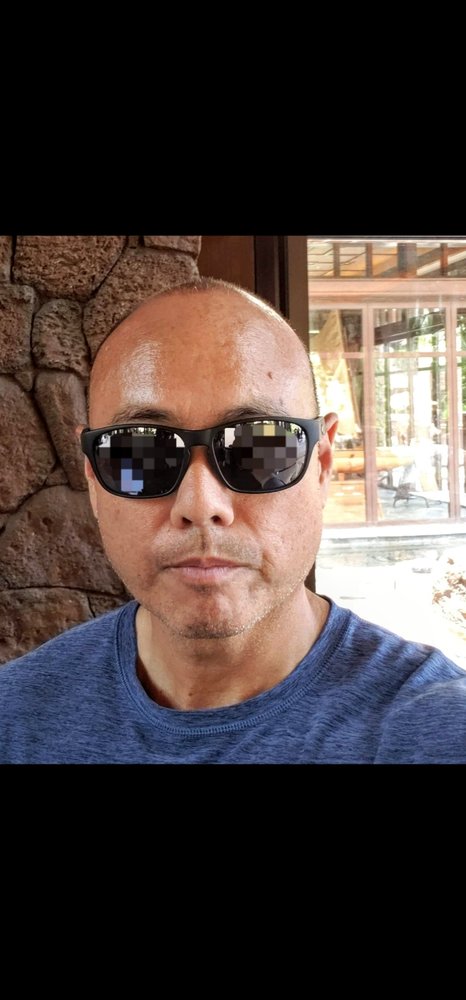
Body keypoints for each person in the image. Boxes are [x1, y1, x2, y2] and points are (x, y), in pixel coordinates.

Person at [1, 277, 466, 764]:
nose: (201, 504)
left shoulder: (434, 731)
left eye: (259, 449)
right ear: (93, 477)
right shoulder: (13, 720)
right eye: (140, 453)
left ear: (322, 464)